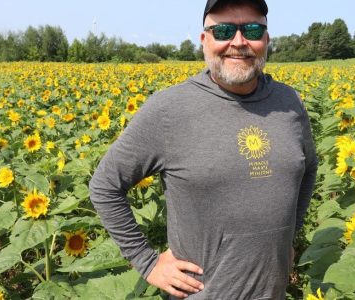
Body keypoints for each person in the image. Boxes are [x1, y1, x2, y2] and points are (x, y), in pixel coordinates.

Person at [89, 0, 318, 298]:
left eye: (252, 30)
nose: (238, 42)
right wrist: (147, 262)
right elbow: (105, 186)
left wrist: (289, 235)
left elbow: (308, 168)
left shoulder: (289, 102)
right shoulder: (170, 109)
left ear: (266, 39)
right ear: (204, 40)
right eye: (223, 31)